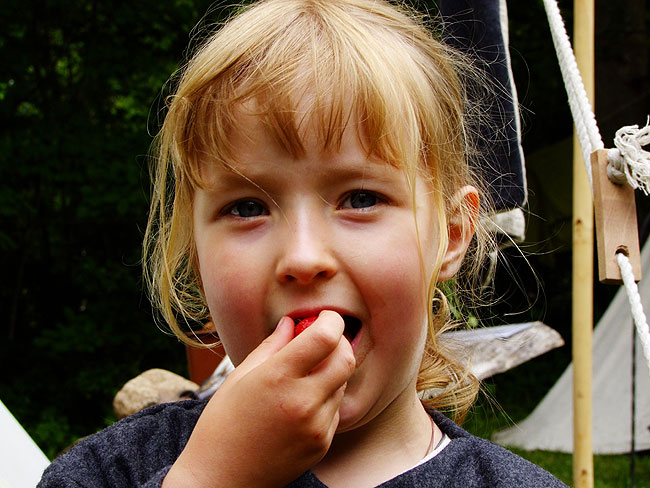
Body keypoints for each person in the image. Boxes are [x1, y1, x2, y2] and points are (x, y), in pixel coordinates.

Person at [38, 0, 567, 486]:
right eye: (247, 208)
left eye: (361, 198)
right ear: (196, 256)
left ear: (451, 235)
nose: (303, 258)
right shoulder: (104, 473)